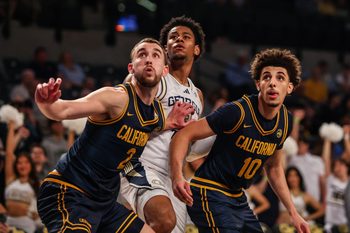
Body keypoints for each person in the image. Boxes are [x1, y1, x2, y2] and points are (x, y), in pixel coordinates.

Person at [35, 38, 194, 233]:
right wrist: (46, 102)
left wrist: (170, 122)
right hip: (70, 192)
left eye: (156, 55)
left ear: (165, 70)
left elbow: (152, 124)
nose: (149, 60)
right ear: (131, 67)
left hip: (104, 204)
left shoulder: (157, 113)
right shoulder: (115, 98)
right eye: (142, 55)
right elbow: (63, 110)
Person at [170, 48, 311, 233]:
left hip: (238, 197)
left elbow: (274, 168)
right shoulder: (237, 111)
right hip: (209, 191)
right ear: (258, 83)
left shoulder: (286, 121)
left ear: (290, 87)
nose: (273, 83)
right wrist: (177, 176)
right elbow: (183, 134)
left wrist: (294, 212)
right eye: (267, 77)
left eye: (280, 78)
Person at [118, 16, 205, 233]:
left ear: (196, 49)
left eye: (186, 37)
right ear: (165, 49)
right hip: (138, 164)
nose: (178, 40)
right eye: (173, 37)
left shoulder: (197, 95)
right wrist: (166, 122)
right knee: (163, 221)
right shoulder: (152, 78)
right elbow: (124, 120)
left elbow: (184, 142)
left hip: (173, 174)